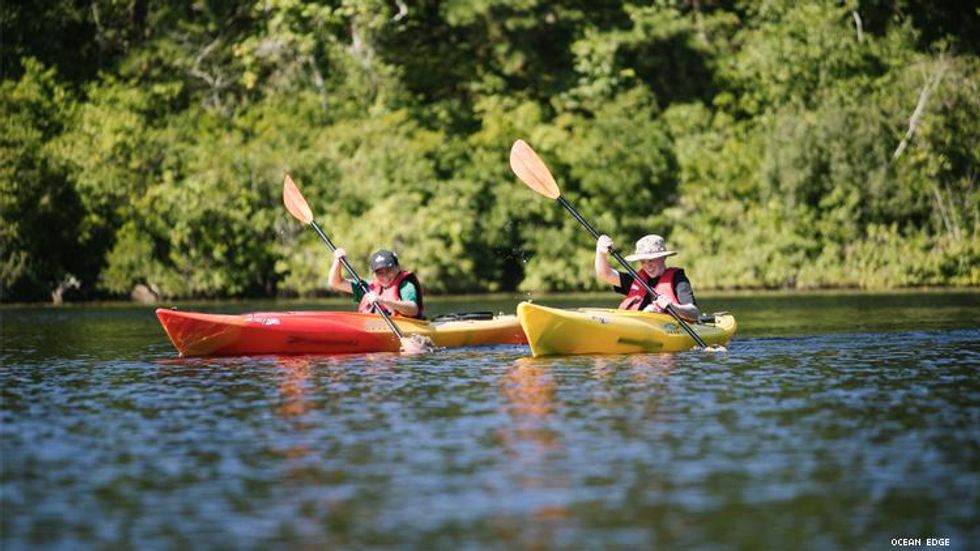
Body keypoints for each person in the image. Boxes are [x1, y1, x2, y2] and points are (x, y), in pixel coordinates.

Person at [594, 234, 700, 321]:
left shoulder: (678, 280)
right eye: (643, 261)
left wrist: (672, 307)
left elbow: (694, 313)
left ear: (663, 257)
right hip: (637, 328)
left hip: (669, 330)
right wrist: (600, 252)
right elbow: (605, 274)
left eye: (651, 260)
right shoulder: (636, 280)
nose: (647, 265)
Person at [328, 248, 425, 319]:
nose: (385, 276)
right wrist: (337, 261)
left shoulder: (405, 286)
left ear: (398, 268)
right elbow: (336, 283)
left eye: (389, 270)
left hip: (408, 328)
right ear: (374, 274)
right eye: (380, 273)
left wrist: (383, 300)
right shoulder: (369, 288)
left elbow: (413, 309)